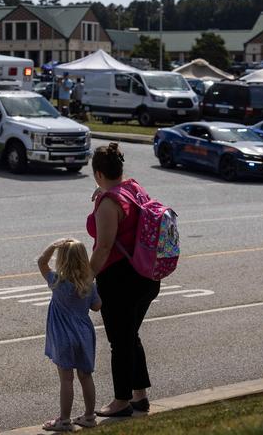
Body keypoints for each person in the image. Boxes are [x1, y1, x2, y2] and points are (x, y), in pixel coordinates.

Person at [86, 142, 160, 418]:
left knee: (120, 341)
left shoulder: (108, 203)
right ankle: (140, 396)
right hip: (147, 277)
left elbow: (103, 247)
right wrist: (104, 192)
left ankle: (121, 401)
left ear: (98, 173)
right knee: (130, 335)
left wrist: (86, 278)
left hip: (120, 281)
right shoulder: (133, 187)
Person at [38, 238, 102, 431]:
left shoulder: (57, 281)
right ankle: (90, 416)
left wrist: (52, 245)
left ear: (62, 260)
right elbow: (97, 306)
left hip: (63, 337)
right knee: (86, 376)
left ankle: (64, 420)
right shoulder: (88, 284)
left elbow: (41, 262)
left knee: (66, 379)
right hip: (83, 335)